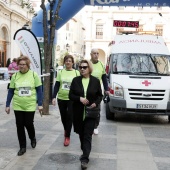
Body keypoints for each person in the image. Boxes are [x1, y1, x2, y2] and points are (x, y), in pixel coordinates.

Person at [5, 55, 43, 156]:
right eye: (20, 64)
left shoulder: (34, 75)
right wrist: (7, 104)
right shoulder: (15, 76)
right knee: (20, 125)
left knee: (28, 123)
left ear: (28, 65)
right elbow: (11, 91)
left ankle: (32, 137)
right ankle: (22, 146)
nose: (21, 66)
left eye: (23, 64)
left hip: (30, 104)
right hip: (18, 105)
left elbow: (39, 90)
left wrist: (40, 104)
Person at [69, 59, 103, 169]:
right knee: (81, 135)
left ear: (89, 69)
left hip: (90, 114)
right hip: (78, 113)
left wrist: (95, 103)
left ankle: (84, 159)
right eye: (80, 67)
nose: (82, 69)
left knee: (87, 136)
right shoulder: (75, 80)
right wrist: (80, 98)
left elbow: (100, 96)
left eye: (85, 67)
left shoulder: (95, 81)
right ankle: (85, 152)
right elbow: (70, 96)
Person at [52, 55, 80, 146]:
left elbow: (80, 86)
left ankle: (67, 136)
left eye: (70, 61)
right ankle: (66, 129)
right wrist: (53, 97)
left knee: (70, 117)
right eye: (66, 61)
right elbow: (57, 85)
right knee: (64, 117)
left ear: (72, 62)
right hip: (61, 98)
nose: (68, 62)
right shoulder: (61, 72)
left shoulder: (76, 73)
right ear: (64, 62)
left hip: (72, 99)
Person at [90, 48, 109, 135]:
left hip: (97, 91)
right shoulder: (87, 64)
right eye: (94, 53)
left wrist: (106, 89)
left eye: (97, 53)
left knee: (97, 109)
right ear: (91, 54)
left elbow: (104, 78)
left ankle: (95, 126)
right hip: (87, 90)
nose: (96, 55)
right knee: (87, 108)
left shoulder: (101, 64)